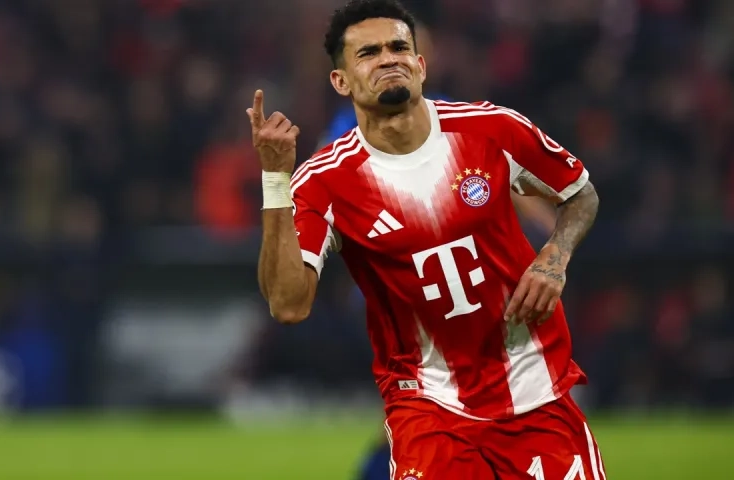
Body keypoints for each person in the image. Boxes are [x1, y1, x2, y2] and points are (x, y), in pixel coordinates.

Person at [247, 0, 605, 478]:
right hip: (428, 407)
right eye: (368, 53)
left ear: (420, 63)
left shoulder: (491, 127)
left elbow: (579, 193)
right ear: (341, 81)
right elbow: (288, 304)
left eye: (398, 47)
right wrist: (275, 180)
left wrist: (553, 258)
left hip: (537, 391)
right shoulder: (322, 179)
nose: (388, 59)